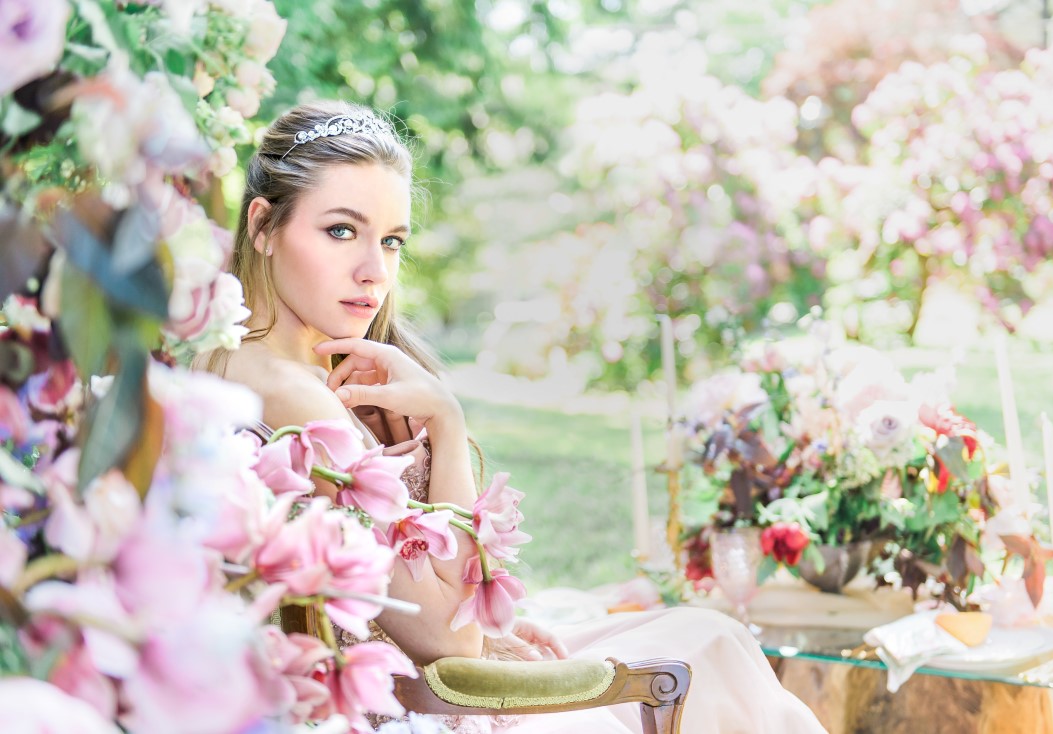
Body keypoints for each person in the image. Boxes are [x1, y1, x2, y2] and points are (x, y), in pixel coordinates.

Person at [197, 100, 825, 734]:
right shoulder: (293, 395)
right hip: (414, 706)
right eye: (340, 231)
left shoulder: (264, 367)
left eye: (391, 241)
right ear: (262, 226)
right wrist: (444, 420)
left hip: (425, 675)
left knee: (710, 638)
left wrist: (488, 627)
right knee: (712, 648)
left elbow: (417, 609)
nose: (374, 271)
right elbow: (450, 644)